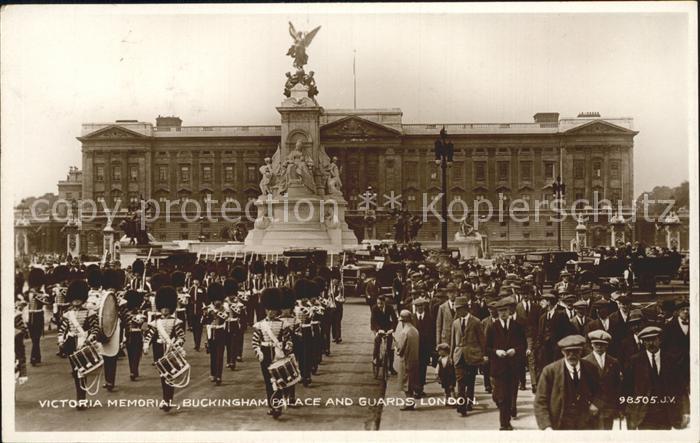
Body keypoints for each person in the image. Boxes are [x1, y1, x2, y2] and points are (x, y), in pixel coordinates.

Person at [623, 326, 689, 429]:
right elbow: (626, 388)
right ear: (643, 342)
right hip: (643, 415)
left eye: (653, 339)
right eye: (647, 340)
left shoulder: (671, 360)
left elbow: (681, 388)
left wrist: (685, 411)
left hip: (666, 414)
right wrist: (628, 412)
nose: (650, 343)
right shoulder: (634, 361)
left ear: (660, 340)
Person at [534, 335, 602, 430]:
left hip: (586, 423)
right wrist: (546, 426)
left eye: (575, 351)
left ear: (581, 351)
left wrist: (596, 404)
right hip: (560, 423)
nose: (572, 355)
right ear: (562, 352)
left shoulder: (590, 368)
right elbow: (540, 401)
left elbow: (600, 391)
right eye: (568, 352)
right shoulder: (550, 371)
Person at [57, 280, 100, 410]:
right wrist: (60, 341)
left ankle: (82, 399)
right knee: (76, 372)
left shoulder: (90, 313)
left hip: (83, 343)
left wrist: (91, 338)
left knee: (82, 371)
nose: (76, 301)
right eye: (74, 299)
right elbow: (62, 329)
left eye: (78, 299)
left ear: (82, 298)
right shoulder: (67, 314)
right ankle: (80, 399)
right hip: (71, 343)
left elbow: (95, 328)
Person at [251, 287, 293, 419]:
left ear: (277, 310)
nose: (271, 312)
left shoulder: (283, 324)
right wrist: (259, 352)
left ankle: (278, 406)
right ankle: (273, 405)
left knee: (279, 380)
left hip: (278, 354)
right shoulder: (260, 325)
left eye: (273, 310)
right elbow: (255, 341)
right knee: (268, 381)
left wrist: (287, 347)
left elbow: (288, 340)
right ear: (265, 310)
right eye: (268, 310)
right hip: (265, 353)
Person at [142, 286, 186, 412]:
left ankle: (168, 400)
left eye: (167, 308)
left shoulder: (176, 322)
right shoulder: (156, 323)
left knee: (170, 375)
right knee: (163, 375)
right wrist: (146, 346)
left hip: (171, 352)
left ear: (171, 308)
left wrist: (177, 344)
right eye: (163, 307)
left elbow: (181, 337)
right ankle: (166, 398)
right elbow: (149, 336)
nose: (165, 310)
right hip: (159, 351)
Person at [486, 296, 527, 430]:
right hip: (498, 367)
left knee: (508, 396)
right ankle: (504, 423)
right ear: (497, 313)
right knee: (501, 396)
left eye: (505, 310)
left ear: (509, 311)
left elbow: (523, 345)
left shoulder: (517, 326)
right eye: (500, 311)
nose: (503, 313)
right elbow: (486, 348)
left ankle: (506, 423)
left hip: (513, 367)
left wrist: (515, 350)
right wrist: (496, 351)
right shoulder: (492, 327)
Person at [450, 296, 486, 416]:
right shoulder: (455, 323)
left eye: (459, 309)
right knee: (460, 381)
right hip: (459, 355)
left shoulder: (476, 322)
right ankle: (461, 405)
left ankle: (469, 402)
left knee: (470, 381)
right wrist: (451, 356)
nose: (457, 312)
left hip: (472, 355)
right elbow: (452, 342)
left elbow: (482, 341)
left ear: (465, 308)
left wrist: (482, 355)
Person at [583, 330, 622, 429]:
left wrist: (618, 407)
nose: (599, 347)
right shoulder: (584, 362)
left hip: (609, 407)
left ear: (607, 345)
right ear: (591, 344)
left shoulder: (614, 362)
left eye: (602, 344)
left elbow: (617, 385)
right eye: (596, 344)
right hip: (591, 407)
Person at [203, 282, 228, 385]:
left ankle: (219, 376)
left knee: (220, 355)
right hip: (211, 332)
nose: (218, 301)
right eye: (216, 299)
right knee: (213, 355)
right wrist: (206, 315)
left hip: (221, 332)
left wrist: (218, 312)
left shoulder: (225, 308)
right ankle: (213, 373)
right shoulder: (208, 308)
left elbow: (226, 317)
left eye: (219, 299)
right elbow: (203, 322)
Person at [26, 267, 51, 366]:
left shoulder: (36, 294)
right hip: (31, 316)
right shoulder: (33, 293)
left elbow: (47, 302)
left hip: (37, 315)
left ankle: (34, 357)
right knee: (34, 338)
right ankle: (36, 356)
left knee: (36, 338)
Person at [396, 309, 420, 411]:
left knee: (406, 384)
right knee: (411, 382)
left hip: (405, 360)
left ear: (403, 321)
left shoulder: (404, 332)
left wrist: (396, 345)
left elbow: (400, 350)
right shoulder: (415, 330)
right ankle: (411, 402)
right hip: (414, 360)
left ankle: (409, 403)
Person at [412, 296, 435, 397]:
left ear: (424, 306)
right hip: (414, 348)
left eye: (421, 306)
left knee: (423, 369)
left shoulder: (429, 317)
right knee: (415, 369)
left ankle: (420, 388)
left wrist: (432, 348)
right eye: (418, 306)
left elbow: (432, 334)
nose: (420, 308)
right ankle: (416, 389)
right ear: (415, 307)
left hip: (425, 348)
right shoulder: (412, 318)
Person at [371, 295, 399, 375]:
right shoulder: (374, 308)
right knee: (377, 340)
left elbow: (394, 319)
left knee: (391, 346)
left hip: (387, 328)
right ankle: (375, 358)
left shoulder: (390, 308)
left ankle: (391, 367)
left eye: (381, 303)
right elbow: (373, 321)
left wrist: (392, 329)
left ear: (384, 302)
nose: (379, 305)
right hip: (377, 327)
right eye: (378, 303)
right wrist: (378, 330)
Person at [123, 289, 146, 381]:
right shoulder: (125, 313)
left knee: (137, 353)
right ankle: (133, 370)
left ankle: (134, 370)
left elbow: (142, 323)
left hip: (138, 333)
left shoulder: (141, 312)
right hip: (129, 334)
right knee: (131, 353)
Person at [435, 282, 458, 347]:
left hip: (457, 338)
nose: (452, 295)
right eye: (450, 292)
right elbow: (439, 326)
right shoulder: (442, 307)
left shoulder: (459, 306)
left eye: (454, 292)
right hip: (446, 339)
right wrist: (438, 342)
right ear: (447, 294)